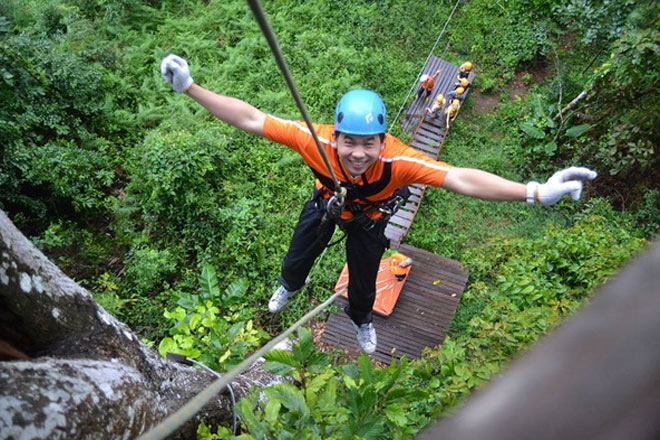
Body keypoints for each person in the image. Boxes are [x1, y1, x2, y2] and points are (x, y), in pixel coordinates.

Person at [161, 54, 597, 354]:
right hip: (327, 205)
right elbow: (253, 118)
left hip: (369, 220)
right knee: (297, 258)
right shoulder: (315, 141)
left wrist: (534, 191)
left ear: (382, 140)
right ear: (336, 136)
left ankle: (360, 319)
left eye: (369, 144)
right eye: (350, 142)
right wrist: (191, 88)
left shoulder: (399, 159)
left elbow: (459, 178)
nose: (357, 153)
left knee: (365, 281)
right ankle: (289, 288)